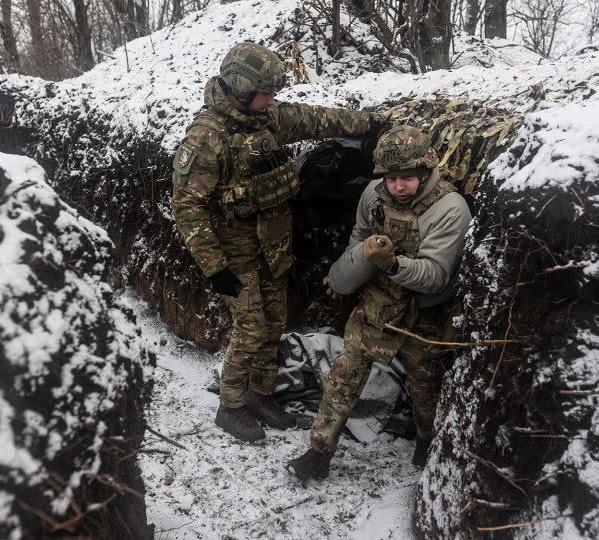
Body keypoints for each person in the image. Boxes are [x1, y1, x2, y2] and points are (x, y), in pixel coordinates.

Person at [171, 42, 382, 442]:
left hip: (273, 249)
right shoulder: (206, 139)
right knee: (250, 330)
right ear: (239, 87)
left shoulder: (268, 119)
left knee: (274, 325)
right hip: (235, 256)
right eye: (265, 93)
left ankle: (261, 395)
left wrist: (368, 124)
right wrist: (214, 268)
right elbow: (188, 208)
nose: (272, 101)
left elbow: (318, 119)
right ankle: (230, 406)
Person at [288, 125, 473, 481]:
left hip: (424, 312)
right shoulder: (374, 195)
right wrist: (351, 267)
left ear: (425, 171)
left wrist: (390, 263)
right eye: (391, 178)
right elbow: (357, 238)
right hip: (378, 302)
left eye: (407, 177)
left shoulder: (451, 209)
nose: (398, 187)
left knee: (426, 387)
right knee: (343, 375)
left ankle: (425, 441)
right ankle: (318, 452)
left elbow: (436, 275)